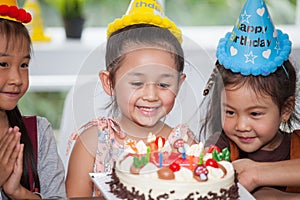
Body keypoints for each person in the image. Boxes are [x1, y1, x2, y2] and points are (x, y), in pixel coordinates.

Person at [66, 0, 195, 197]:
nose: (151, 96)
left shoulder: (185, 145)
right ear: (109, 83)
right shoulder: (92, 143)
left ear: (179, 84)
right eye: (137, 83)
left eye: (163, 85)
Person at [200, 0, 300, 198]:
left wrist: (261, 179)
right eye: (230, 112)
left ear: (285, 109)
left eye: (255, 113)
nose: (242, 125)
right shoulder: (219, 148)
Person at [0, 1, 66, 199]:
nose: (17, 79)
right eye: (3, 63)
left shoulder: (38, 133)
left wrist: (18, 193)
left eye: (24, 65)